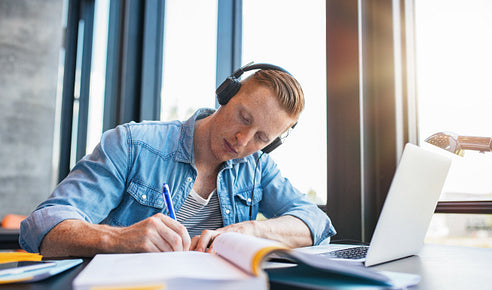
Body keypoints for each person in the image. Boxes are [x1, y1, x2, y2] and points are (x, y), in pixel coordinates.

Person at [20, 63, 336, 257]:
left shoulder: (256, 168)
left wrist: (250, 231)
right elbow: (40, 228)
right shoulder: (132, 144)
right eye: (243, 117)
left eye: (261, 138)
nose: (243, 140)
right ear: (225, 95)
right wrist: (120, 238)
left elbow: (316, 223)